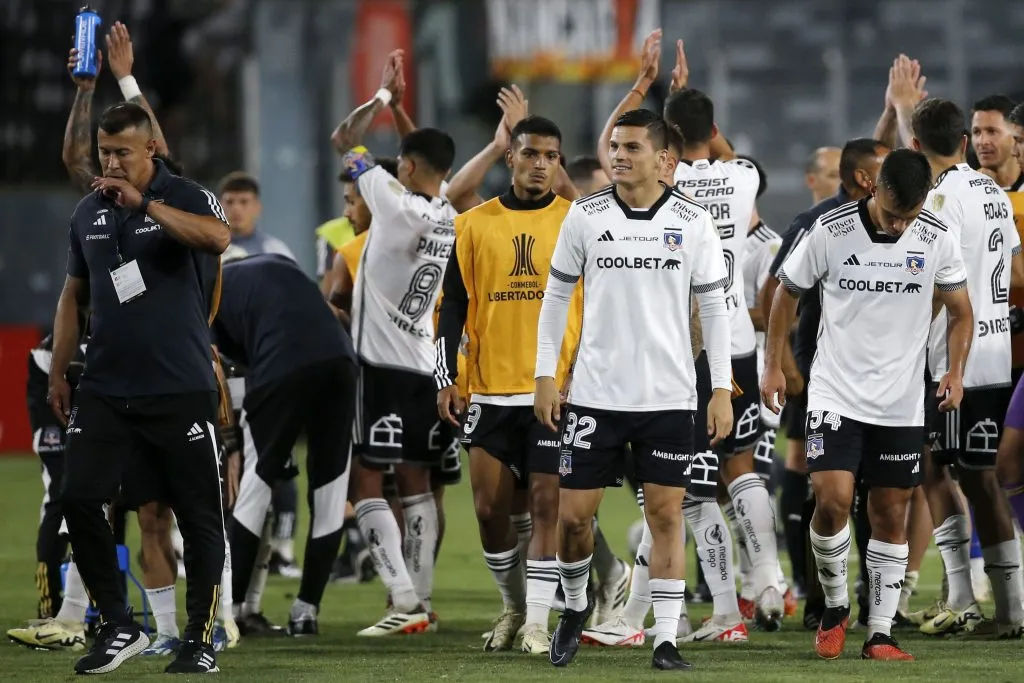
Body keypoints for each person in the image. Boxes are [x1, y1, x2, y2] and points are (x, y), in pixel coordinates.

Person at [534, 108, 733, 671]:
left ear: (663, 158)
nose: (618, 156)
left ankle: (664, 639)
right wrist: (546, 375)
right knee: (573, 518)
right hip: (595, 395)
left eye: (631, 148)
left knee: (666, 516)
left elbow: (715, 309)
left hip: (668, 397)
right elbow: (555, 301)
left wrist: (719, 388)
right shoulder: (586, 217)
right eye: (614, 147)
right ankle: (576, 606)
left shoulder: (693, 223)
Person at [762, 148, 973, 661]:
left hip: (901, 399)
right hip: (835, 392)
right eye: (894, 213)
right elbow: (784, 295)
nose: (902, 226)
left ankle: (879, 631)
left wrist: (955, 370)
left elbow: (961, 312)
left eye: (911, 215)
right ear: (875, 189)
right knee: (832, 500)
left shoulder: (937, 236)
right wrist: (773, 364)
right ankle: (835, 606)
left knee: (890, 511)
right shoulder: (830, 231)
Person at [49, 101, 230, 675]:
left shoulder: (187, 195)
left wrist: (146, 203)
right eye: (105, 153)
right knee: (78, 497)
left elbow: (217, 238)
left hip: (177, 386)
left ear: (151, 148)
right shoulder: (86, 213)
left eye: (122, 151)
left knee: (198, 515)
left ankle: (199, 640)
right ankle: (120, 625)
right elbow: (72, 295)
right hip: (105, 383)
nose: (112, 162)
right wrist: (58, 369)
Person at [435, 115, 581, 654]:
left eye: (550, 156)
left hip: (554, 390)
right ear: (510, 159)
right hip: (490, 390)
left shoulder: (577, 221)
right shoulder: (473, 224)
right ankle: (514, 607)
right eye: (530, 154)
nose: (540, 164)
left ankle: (539, 622)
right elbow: (453, 303)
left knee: (547, 507)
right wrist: (446, 376)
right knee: (490, 512)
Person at [330, 49, 456, 635]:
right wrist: (407, 117)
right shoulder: (449, 212)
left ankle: (402, 599)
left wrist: (382, 97)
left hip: (376, 366)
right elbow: (427, 158)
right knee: (417, 483)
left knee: (364, 481)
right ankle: (422, 600)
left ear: (403, 167)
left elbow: (343, 137)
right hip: (426, 367)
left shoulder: (389, 199)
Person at [897, 97, 1024, 637]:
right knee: (945, 469)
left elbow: (928, 285)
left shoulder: (940, 202)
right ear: (965, 141)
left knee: (969, 477)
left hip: (954, 362)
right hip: (993, 355)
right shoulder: (991, 190)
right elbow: (1014, 267)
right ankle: (963, 597)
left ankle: (1004, 609)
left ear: (917, 147)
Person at [666, 86, 785, 634]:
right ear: (713, 131)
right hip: (738, 337)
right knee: (741, 466)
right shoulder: (741, 178)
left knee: (689, 482)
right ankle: (768, 580)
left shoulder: (666, 183)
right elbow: (731, 155)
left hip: (686, 342)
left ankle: (719, 610)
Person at [762, 137, 891, 627]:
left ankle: (870, 595)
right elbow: (780, 288)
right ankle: (815, 594)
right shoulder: (817, 222)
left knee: (876, 486)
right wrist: (787, 365)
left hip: (884, 381)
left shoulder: (902, 220)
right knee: (824, 486)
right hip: (820, 370)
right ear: (863, 177)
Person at [211, 253, 357, 636]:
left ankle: (232, 609)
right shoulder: (279, 263)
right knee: (329, 490)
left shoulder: (202, 289)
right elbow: (333, 315)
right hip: (341, 362)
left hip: (279, 366)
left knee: (256, 485)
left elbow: (219, 368)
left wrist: (231, 445)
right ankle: (306, 611)